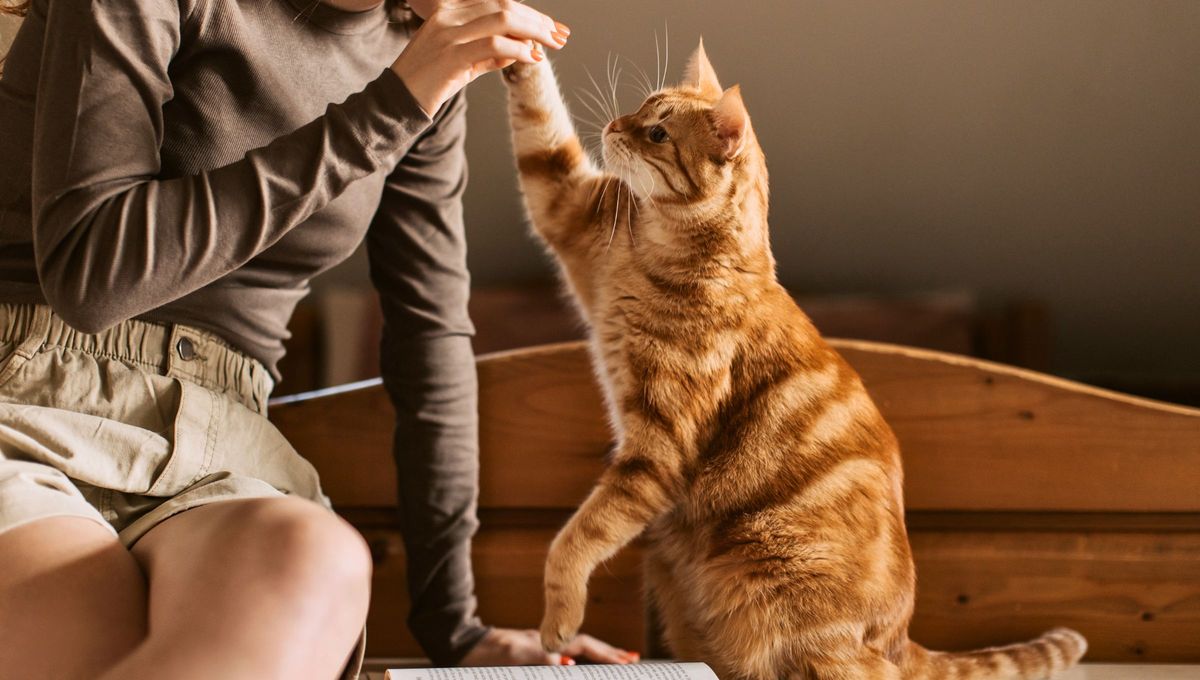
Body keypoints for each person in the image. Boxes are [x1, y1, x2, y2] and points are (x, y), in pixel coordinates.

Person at [0, 0, 633, 677]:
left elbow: (429, 341)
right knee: (91, 618)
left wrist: (453, 625)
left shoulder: (419, 61)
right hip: (25, 405)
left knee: (317, 559)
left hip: (228, 447)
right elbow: (94, 276)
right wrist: (392, 105)